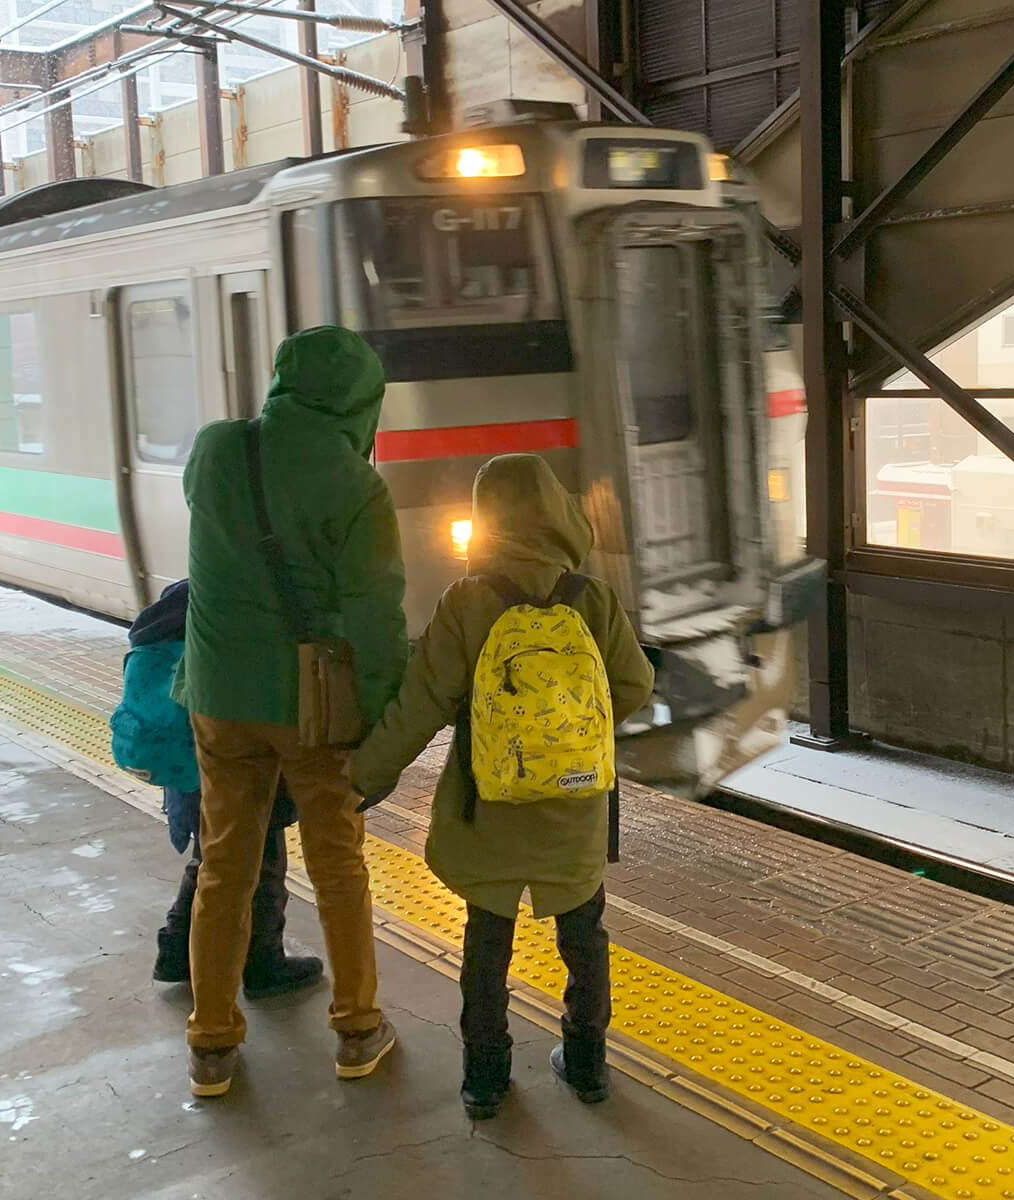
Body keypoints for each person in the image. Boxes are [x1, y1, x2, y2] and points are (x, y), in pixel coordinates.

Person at [351, 454, 654, 1121]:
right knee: (585, 934)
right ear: (557, 513)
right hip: (574, 808)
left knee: (488, 938)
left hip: (487, 808)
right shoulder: (591, 598)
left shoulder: (468, 602)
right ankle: (587, 1066)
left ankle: (484, 1079)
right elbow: (634, 685)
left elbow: (418, 705)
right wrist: (573, 731)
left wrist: (362, 780)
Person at [175, 326, 409, 1098]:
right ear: (362, 403)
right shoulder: (356, 485)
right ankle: (356, 1027)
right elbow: (376, 621)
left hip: (216, 696)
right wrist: (377, 732)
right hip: (309, 704)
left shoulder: (215, 450)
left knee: (225, 862)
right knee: (337, 861)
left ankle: (211, 1044)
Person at [110, 578, 324, 999]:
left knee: (210, 854)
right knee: (261, 860)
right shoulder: (249, 599)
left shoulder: (180, 598)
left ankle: (176, 950)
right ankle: (264, 962)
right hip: (232, 756)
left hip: (186, 760)